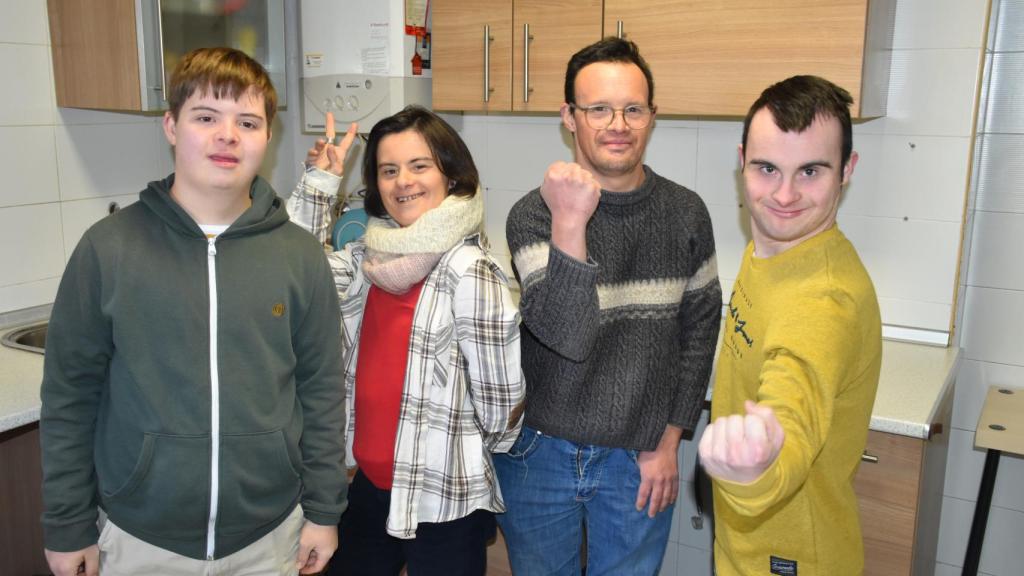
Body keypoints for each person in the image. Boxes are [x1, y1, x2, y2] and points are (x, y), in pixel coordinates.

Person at [39, 47, 347, 576]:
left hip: (269, 537)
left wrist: (323, 511)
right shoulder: (108, 249)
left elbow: (321, 392)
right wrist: (67, 525)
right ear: (171, 126)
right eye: (206, 117)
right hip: (141, 538)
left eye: (247, 122)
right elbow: (70, 397)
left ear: (266, 139)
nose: (227, 135)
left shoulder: (299, 256)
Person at [496, 37, 722, 575]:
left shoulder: (686, 213)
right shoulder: (532, 216)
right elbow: (566, 335)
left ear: (651, 116)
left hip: (638, 458)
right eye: (598, 108)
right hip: (537, 455)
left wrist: (669, 442)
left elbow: (699, 338)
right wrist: (570, 220)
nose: (617, 123)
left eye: (633, 108)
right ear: (569, 117)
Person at [287, 105, 525, 576]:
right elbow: (290, 269)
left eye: (420, 166)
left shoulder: (471, 272)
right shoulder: (364, 259)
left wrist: (455, 451)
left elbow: (502, 406)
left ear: (451, 177)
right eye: (388, 170)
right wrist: (319, 183)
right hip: (366, 486)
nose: (403, 182)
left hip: (444, 500)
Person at [697, 75, 882, 575]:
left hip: (791, 557)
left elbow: (792, 413)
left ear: (847, 170)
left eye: (811, 171)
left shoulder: (823, 301)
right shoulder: (775, 251)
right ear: (742, 162)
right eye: (766, 168)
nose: (783, 195)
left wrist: (757, 468)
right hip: (750, 541)